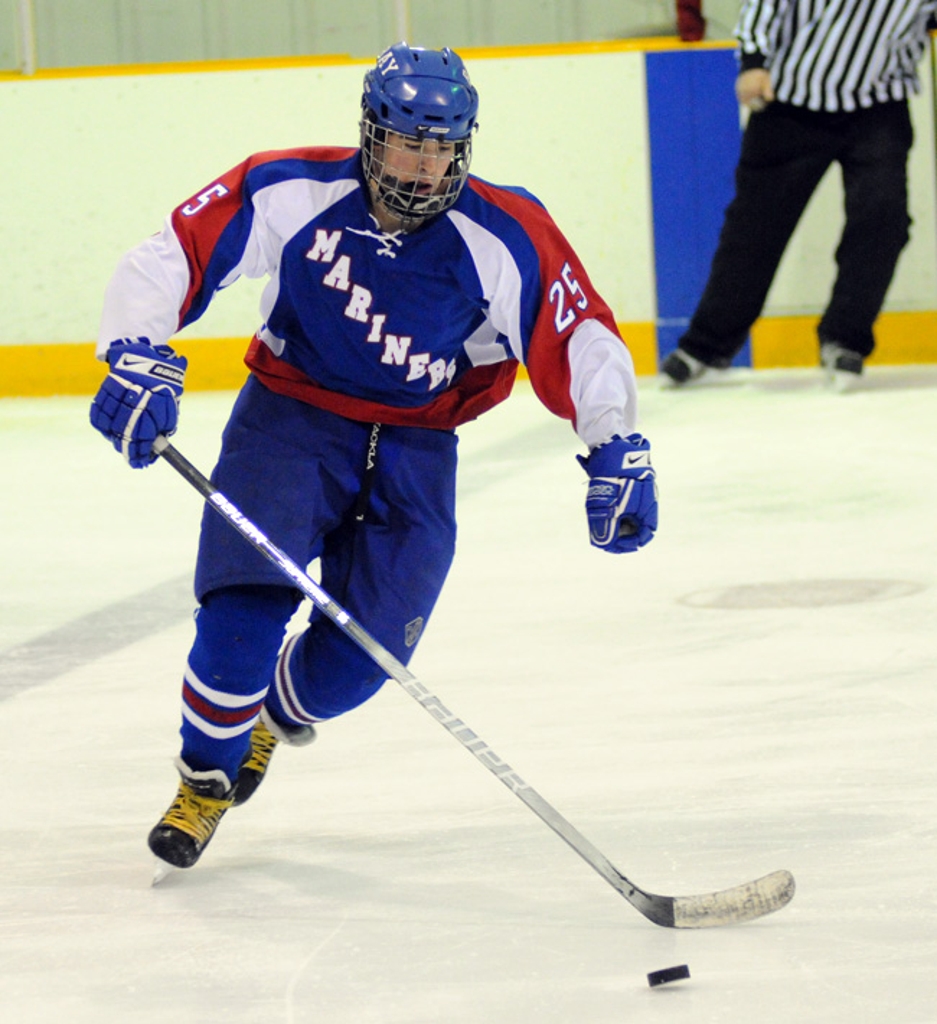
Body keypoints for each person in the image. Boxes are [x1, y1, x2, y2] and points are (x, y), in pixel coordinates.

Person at [89, 43, 658, 872]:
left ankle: (271, 720)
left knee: (365, 660)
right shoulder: (291, 186)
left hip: (418, 446)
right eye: (406, 144)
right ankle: (205, 781)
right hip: (288, 421)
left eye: (442, 149)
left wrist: (614, 445)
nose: (424, 168)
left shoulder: (505, 231)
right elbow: (176, 253)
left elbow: (575, 331)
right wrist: (134, 352)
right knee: (239, 622)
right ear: (370, 133)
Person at [661, 0, 937, 391]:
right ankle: (706, 346)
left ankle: (845, 338)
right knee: (754, 231)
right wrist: (753, 61)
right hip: (790, 101)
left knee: (884, 219)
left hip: (880, 104)